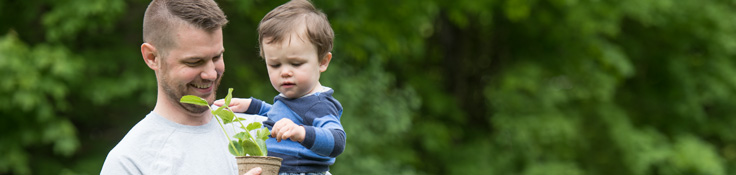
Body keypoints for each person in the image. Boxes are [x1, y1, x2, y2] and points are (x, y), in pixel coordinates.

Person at [100, 0, 264, 174]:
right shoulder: (130, 162)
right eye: (194, 62)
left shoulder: (258, 131)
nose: (211, 74)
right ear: (152, 57)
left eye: (216, 57)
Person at [214, 0, 345, 174]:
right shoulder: (296, 100)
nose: (285, 72)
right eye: (275, 65)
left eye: (296, 63)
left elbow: (337, 141)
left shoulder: (319, 105)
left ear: (322, 62)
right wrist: (252, 106)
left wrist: (300, 132)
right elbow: (280, 114)